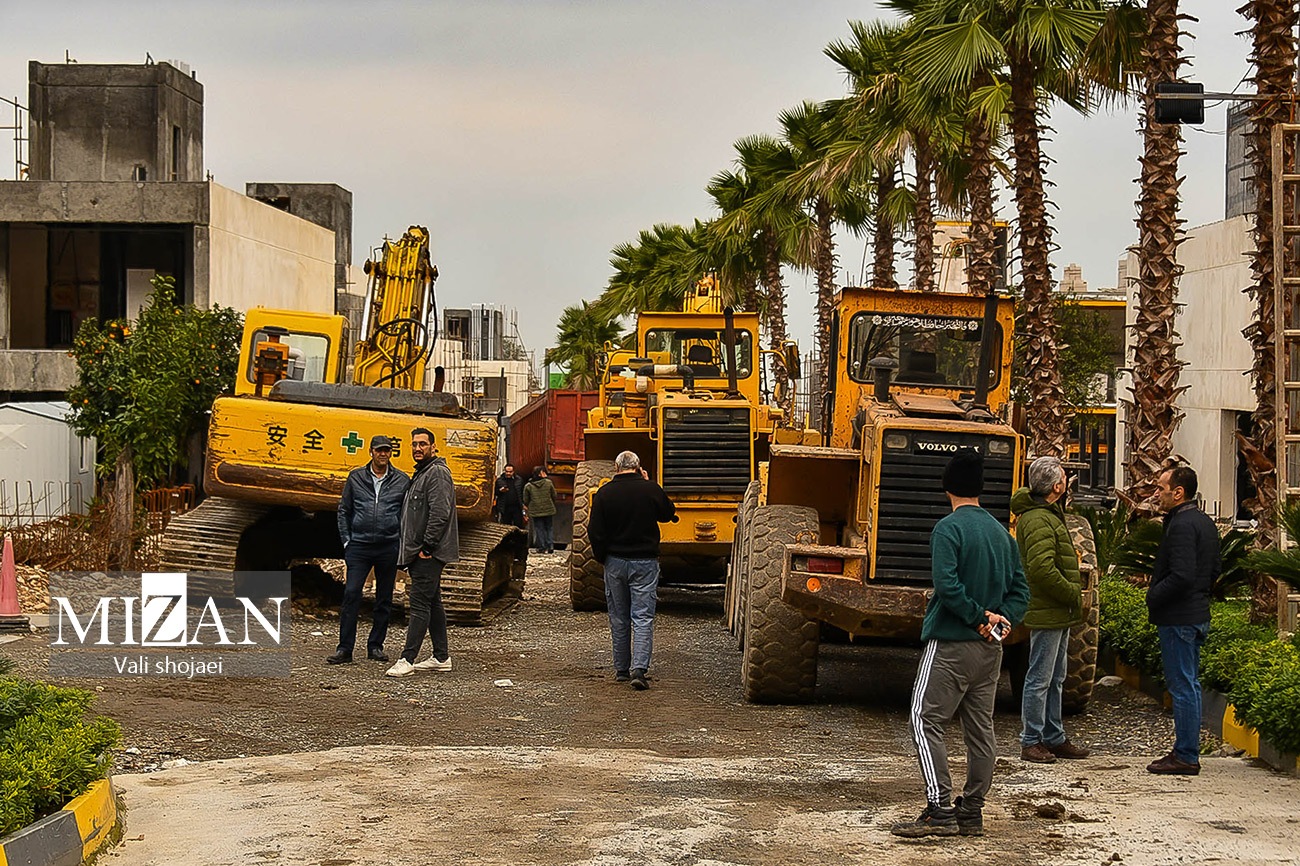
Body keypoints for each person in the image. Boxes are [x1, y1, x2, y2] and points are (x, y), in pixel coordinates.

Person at [892, 447, 1030, 840]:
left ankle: (939, 809)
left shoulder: (948, 529)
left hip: (951, 643)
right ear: (980, 488)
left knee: (924, 720)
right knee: (980, 729)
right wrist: (999, 621)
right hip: (990, 650)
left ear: (947, 487)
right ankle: (972, 810)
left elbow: (947, 586)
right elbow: (1021, 591)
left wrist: (977, 617)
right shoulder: (1002, 535)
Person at [1011, 456, 1090, 763]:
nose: (1067, 481)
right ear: (1056, 486)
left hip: (1056, 610)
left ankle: (1053, 736)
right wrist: (1071, 592)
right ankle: (1031, 739)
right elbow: (1041, 568)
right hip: (1049, 608)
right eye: (1064, 478)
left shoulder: (1046, 515)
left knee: (1055, 676)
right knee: (1040, 677)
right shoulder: (1039, 519)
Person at [1146, 464, 1220, 775]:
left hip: (1179, 618)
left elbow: (1182, 575)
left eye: (1161, 489)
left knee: (1183, 686)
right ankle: (1185, 751)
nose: (1156, 494)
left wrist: (1153, 595)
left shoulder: (1181, 525)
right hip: (1196, 613)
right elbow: (1213, 570)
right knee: (1189, 683)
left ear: (1178, 492)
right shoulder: (1203, 521)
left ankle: (1186, 755)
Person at [588, 450, 675, 690]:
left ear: (616, 468)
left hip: (615, 561)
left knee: (619, 617)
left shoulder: (604, 493)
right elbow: (668, 514)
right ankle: (639, 669)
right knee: (642, 616)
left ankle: (621, 670)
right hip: (645, 562)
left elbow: (595, 531)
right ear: (638, 467)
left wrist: (603, 557)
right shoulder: (650, 489)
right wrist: (648, 483)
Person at [329, 435, 410, 665]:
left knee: (384, 598)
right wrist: (347, 541)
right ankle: (345, 649)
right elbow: (344, 510)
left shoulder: (401, 480)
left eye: (386, 450)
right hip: (360, 546)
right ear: (371, 452)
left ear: (391, 453)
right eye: (378, 450)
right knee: (352, 593)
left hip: (388, 546)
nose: (382, 454)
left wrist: (401, 543)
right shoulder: (356, 477)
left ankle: (375, 646)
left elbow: (406, 515)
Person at [386, 427, 460, 678]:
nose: (418, 448)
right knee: (433, 603)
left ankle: (407, 659)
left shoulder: (436, 473)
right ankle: (441, 657)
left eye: (423, 444)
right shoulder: (422, 473)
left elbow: (440, 513)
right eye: (414, 444)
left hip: (429, 553)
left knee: (419, 604)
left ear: (433, 447)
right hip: (421, 551)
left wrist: (427, 547)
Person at [523, 466, 558, 554]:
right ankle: (550, 546)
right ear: (540, 474)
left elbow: (526, 500)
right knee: (549, 528)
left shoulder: (528, 486)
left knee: (539, 528)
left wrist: (528, 506)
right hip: (548, 509)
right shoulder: (548, 483)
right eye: (543, 472)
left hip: (536, 511)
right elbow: (554, 495)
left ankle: (542, 547)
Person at [494, 463, 525, 528]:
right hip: (505, 507)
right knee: (506, 526)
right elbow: (495, 493)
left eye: (510, 472)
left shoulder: (519, 480)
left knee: (518, 525)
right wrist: (500, 491)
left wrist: (524, 504)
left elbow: (523, 492)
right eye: (507, 471)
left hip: (517, 507)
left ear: (513, 472)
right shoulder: (499, 480)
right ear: (504, 471)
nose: (508, 473)